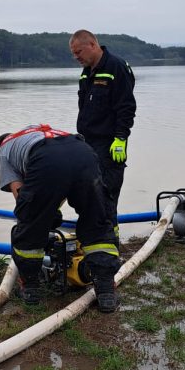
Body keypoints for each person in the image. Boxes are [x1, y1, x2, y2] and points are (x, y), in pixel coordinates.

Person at [0, 124, 121, 313]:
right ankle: (106, 292)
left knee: (30, 224)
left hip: (47, 160)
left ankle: (30, 290)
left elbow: (22, 197)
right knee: (97, 220)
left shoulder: (4, 151)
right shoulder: (33, 133)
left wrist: (44, 217)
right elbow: (63, 173)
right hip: (84, 153)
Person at [69, 30, 136, 236]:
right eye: (73, 54)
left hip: (109, 144)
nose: (76, 57)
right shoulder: (86, 71)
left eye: (78, 52)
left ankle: (109, 240)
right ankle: (94, 235)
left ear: (92, 44)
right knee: (89, 192)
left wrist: (121, 138)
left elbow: (126, 106)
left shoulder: (116, 67)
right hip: (87, 142)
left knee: (107, 193)